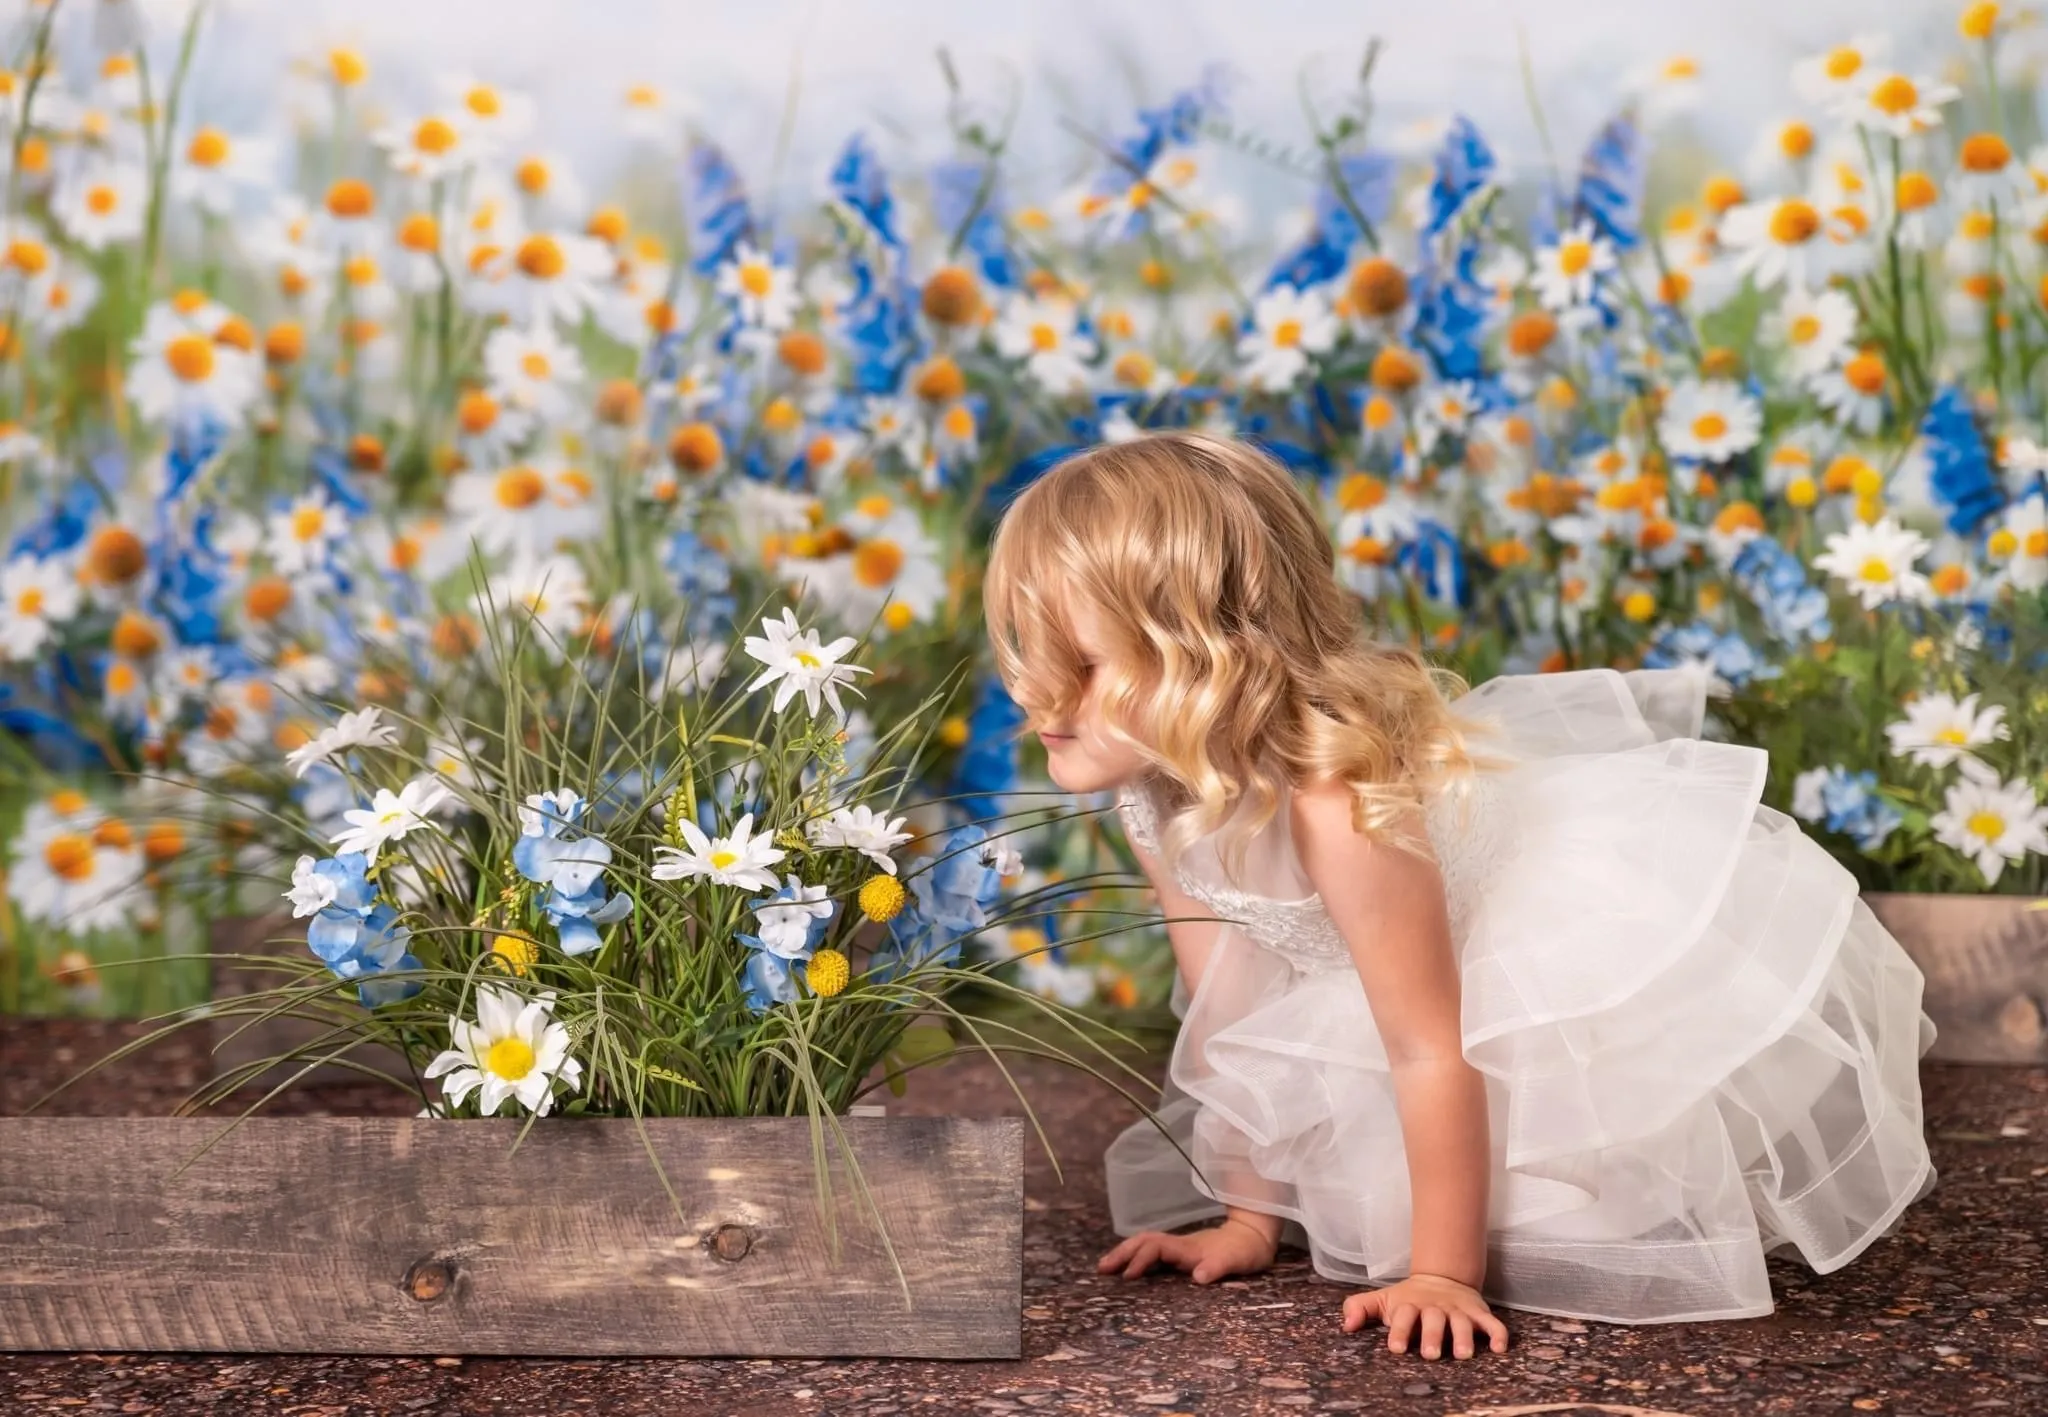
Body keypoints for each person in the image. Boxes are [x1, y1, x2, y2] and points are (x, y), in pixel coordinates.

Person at [979, 431, 1938, 1361]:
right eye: (1027, 652)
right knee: (1354, 1142)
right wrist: (1249, 1215)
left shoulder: (1335, 802)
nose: (1034, 694)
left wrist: (1444, 1272)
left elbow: (1431, 1042)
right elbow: (1231, 1012)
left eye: (1083, 665)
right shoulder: (1156, 793)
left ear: (1208, 654)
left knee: (1569, 1205)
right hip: (1384, 995)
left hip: (1508, 982)